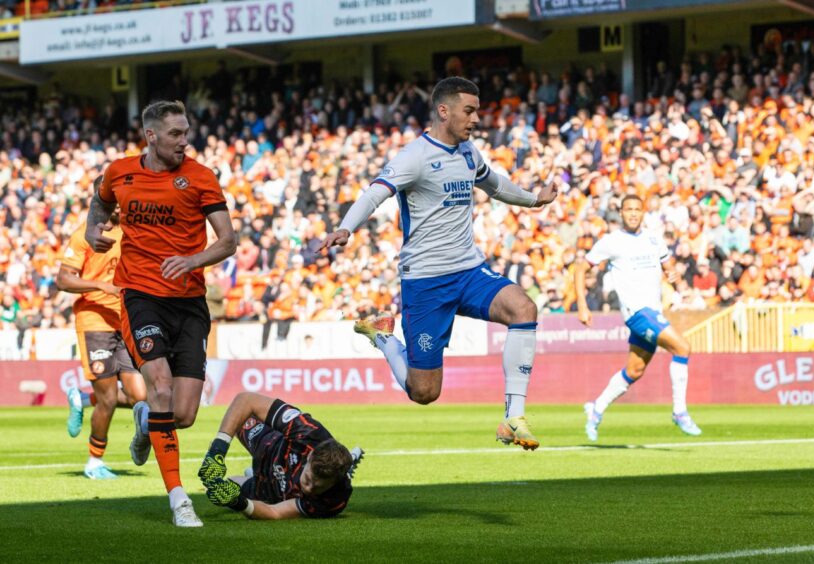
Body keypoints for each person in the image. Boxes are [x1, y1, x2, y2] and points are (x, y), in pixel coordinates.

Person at [318, 77, 556, 450]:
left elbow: (495, 186)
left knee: (523, 307)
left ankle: (513, 417)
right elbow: (374, 194)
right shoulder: (414, 157)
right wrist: (345, 228)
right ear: (444, 111)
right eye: (469, 111)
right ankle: (383, 337)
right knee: (424, 392)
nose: (476, 119)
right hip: (426, 281)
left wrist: (534, 200)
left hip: (468, 270)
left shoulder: (468, 153)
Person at [85, 100, 238, 526]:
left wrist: (193, 260)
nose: (184, 141)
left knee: (182, 414)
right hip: (140, 294)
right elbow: (99, 198)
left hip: (189, 301)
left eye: (186, 132)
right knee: (161, 385)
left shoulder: (201, 177)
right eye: (175, 134)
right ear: (151, 136)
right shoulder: (120, 172)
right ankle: (178, 499)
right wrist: (91, 230)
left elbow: (228, 242)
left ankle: (144, 418)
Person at [575, 194, 701, 441]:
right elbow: (581, 268)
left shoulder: (654, 240)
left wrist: (675, 278)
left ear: (644, 213)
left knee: (634, 371)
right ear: (621, 213)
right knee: (682, 348)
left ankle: (596, 409)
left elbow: (669, 267)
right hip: (638, 314)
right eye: (628, 209)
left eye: (637, 209)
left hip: (653, 312)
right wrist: (582, 304)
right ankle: (679, 412)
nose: (633, 213)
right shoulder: (611, 241)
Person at [57, 188, 147, 480]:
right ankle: (94, 461)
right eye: (117, 200)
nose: (123, 206)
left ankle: (83, 400)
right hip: (94, 320)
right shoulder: (84, 235)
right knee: (108, 398)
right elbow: (63, 280)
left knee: (141, 397)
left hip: (124, 322)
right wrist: (102, 287)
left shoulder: (130, 233)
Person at [197, 392, 363, 520]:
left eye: (318, 487)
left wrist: (238, 503)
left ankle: (252, 478)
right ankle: (345, 463)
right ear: (310, 455)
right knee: (241, 417)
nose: (308, 489)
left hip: (271, 494)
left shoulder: (334, 500)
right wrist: (217, 451)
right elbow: (245, 399)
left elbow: (275, 512)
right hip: (266, 444)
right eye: (308, 479)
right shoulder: (307, 432)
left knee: (228, 487)